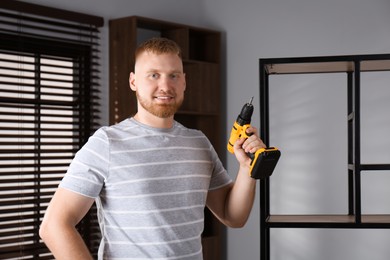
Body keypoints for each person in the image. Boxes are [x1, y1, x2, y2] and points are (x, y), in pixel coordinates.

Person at [39, 37, 266, 260]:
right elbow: (54, 226)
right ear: (133, 81)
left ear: (184, 82)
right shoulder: (106, 143)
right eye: (153, 75)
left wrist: (247, 168)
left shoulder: (199, 142)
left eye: (173, 75)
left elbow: (233, 216)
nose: (165, 86)